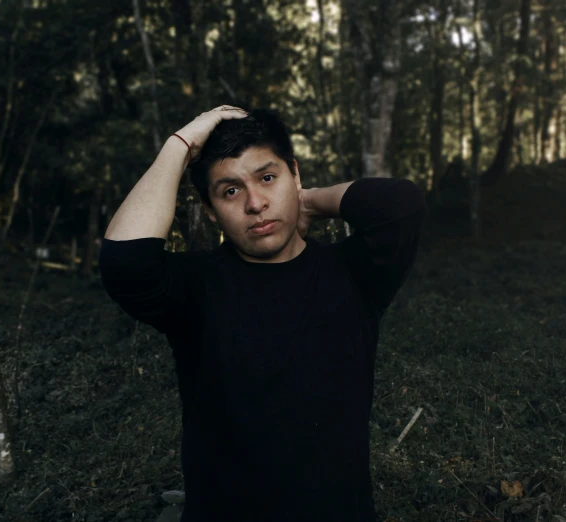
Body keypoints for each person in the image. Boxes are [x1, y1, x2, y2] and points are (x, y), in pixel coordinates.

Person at [99, 106, 427, 521]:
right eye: (230, 191)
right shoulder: (194, 286)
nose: (256, 203)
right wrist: (179, 145)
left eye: (267, 178)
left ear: (294, 173)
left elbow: (401, 205)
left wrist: (308, 202)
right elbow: (123, 261)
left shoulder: (353, 274)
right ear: (210, 208)